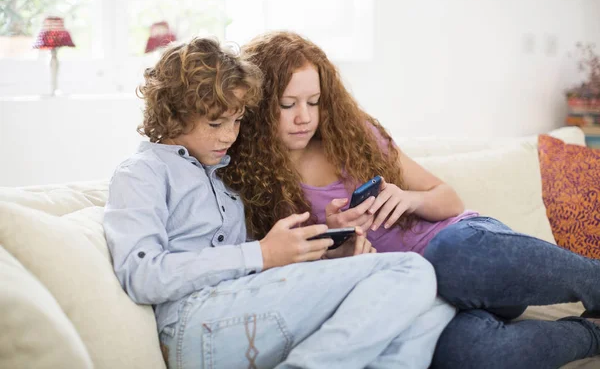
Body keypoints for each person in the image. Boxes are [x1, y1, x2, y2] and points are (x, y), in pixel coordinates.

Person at [220, 30, 600, 369]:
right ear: (259, 103)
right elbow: (288, 281)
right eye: (288, 105)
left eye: (314, 101)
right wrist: (334, 246)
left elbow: (448, 199)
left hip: (474, 261)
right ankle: (592, 332)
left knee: (451, 254)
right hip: (423, 299)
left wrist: (407, 198)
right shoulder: (250, 184)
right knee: (469, 355)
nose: (304, 117)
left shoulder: (353, 138)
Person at [103, 36, 456, 369]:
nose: (229, 135)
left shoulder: (221, 171)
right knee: (410, 270)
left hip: (244, 308)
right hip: (195, 324)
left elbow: (260, 271)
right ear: (172, 114)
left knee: (433, 306)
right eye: (215, 122)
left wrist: (328, 254)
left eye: (237, 121)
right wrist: (262, 254)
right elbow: (141, 274)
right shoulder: (142, 173)